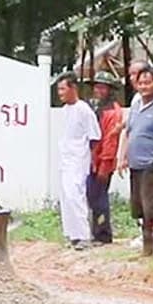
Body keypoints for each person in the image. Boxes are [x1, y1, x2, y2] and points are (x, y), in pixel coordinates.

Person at [117, 68, 153, 256]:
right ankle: (147, 250)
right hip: (136, 166)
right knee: (142, 210)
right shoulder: (135, 106)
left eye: (148, 82)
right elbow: (128, 133)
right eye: (140, 83)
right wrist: (122, 157)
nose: (143, 86)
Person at [57, 75, 101, 250]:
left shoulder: (84, 110)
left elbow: (95, 137)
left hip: (78, 160)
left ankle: (83, 236)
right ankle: (72, 235)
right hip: (65, 159)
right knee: (66, 197)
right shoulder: (65, 110)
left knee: (76, 196)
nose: (60, 93)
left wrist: (92, 159)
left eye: (63, 89)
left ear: (73, 88)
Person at [88, 72, 125, 244]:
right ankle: (96, 231)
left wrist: (104, 164)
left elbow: (110, 140)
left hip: (103, 161)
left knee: (99, 198)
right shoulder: (97, 108)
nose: (98, 90)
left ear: (110, 90)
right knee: (93, 196)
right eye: (97, 86)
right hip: (93, 159)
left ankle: (103, 234)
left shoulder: (113, 112)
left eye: (102, 87)